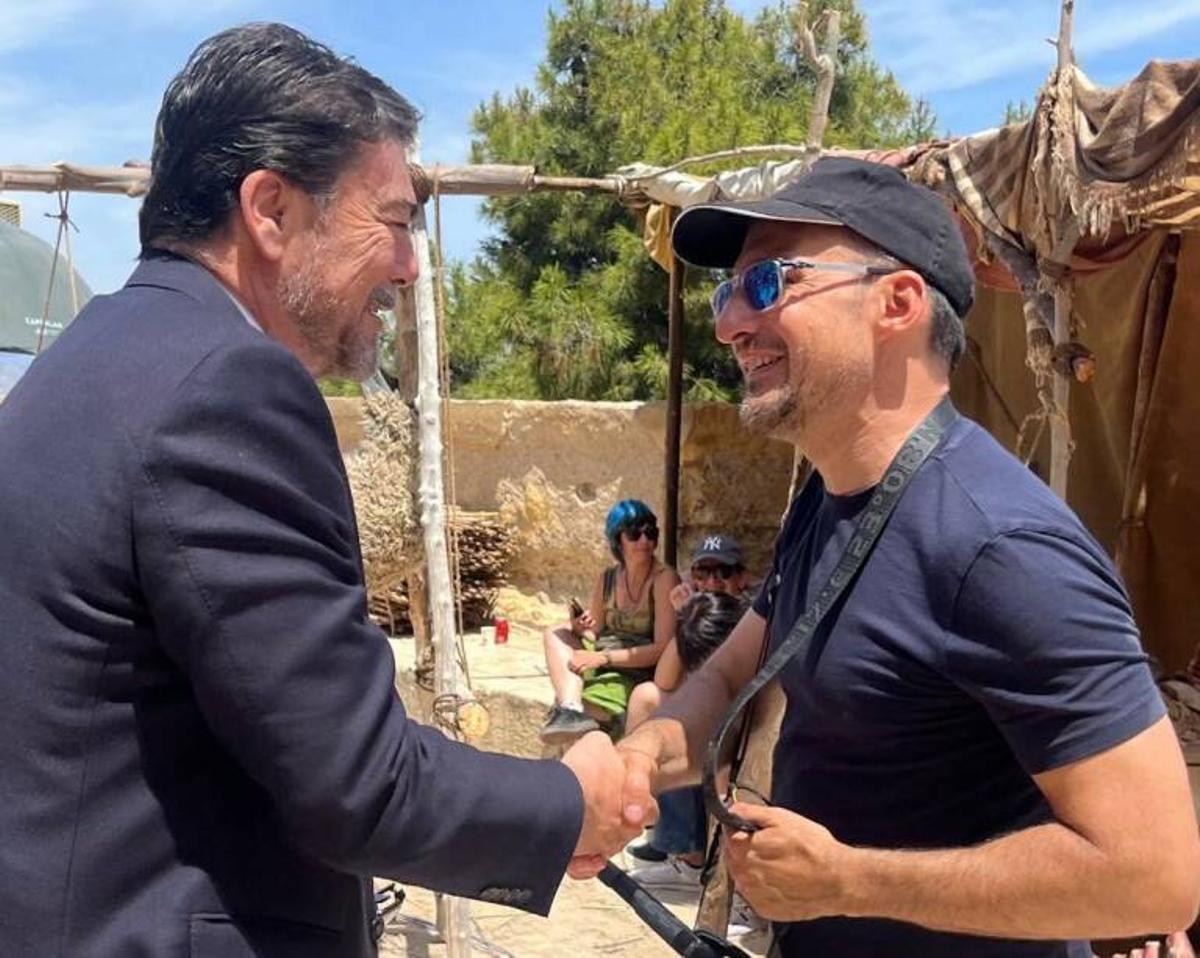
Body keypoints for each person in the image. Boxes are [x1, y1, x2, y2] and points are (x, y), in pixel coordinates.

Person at [0, 24, 648, 957]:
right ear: (270, 208)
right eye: (391, 221)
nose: (409, 265)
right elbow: (357, 779)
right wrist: (566, 805)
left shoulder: (91, 365)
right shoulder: (225, 388)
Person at [581, 157, 1200, 956]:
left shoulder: (1002, 547)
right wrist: (638, 763)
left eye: (768, 283)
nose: (730, 322)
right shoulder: (828, 496)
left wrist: (847, 881)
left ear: (897, 302)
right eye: (726, 293)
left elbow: (1153, 874)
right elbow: (735, 672)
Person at [625, 534, 754, 874]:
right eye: (702, 573)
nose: (711, 582)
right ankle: (679, 845)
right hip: (716, 711)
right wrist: (688, 619)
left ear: (742, 577)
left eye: (722, 572)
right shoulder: (703, 614)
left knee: (687, 729)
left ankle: (698, 856)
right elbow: (666, 680)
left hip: (745, 715)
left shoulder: (754, 616)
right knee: (649, 700)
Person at [540, 499, 679, 744]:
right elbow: (595, 631)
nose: (645, 541)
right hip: (606, 654)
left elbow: (662, 648)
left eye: (651, 533)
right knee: (555, 632)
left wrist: (602, 658)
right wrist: (579, 628)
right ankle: (570, 707)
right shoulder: (608, 578)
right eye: (635, 533)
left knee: (589, 708)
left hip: (637, 666)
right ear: (618, 540)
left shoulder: (664, 579)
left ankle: (576, 713)